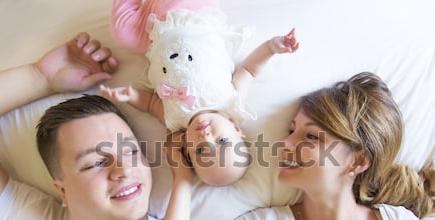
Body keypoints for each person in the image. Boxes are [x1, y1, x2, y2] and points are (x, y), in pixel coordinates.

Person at [151, 72, 435, 220]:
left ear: (357, 161)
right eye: (291, 130)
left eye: (311, 137)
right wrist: (182, 179)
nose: (285, 144)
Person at [0, 32, 213, 220]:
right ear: (62, 191)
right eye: (96, 162)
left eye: (131, 151)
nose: (123, 170)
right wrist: (40, 77)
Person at [101, 2, 299, 186]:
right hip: (195, 21)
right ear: (236, 129)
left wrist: (130, 96)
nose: (206, 137)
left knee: (123, 32)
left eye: (201, 150)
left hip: (155, 34)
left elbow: (151, 103)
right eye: (222, 141)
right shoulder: (231, 101)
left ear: (188, 150)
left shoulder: (172, 119)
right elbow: (249, 70)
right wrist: (271, 48)